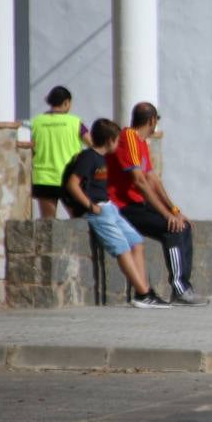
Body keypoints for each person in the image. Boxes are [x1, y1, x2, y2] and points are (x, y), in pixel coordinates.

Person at [105, 102, 208, 306]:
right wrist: (166, 215)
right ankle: (179, 289)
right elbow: (140, 182)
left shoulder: (141, 142)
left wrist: (174, 210)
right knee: (171, 230)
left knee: (183, 226)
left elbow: (152, 179)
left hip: (137, 204)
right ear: (152, 120)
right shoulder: (129, 138)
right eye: (156, 122)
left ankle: (184, 286)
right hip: (122, 207)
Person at [62, 118, 169, 308]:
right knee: (122, 248)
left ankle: (143, 291)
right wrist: (90, 206)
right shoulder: (88, 157)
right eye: (117, 140)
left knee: (136, 242)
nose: (119, 144)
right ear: (110, 140)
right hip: (98, 211)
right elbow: (72, 184)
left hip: (109, 207)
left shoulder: (102, 159)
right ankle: (144, 294)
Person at [29, 85, 88, 219]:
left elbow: (29, 149)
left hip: (44, 178)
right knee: (78, 220)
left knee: (48, 223)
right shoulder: (75, 122)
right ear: (66, 102)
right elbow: (92, 144)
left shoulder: (36, 122)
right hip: (70, 178)